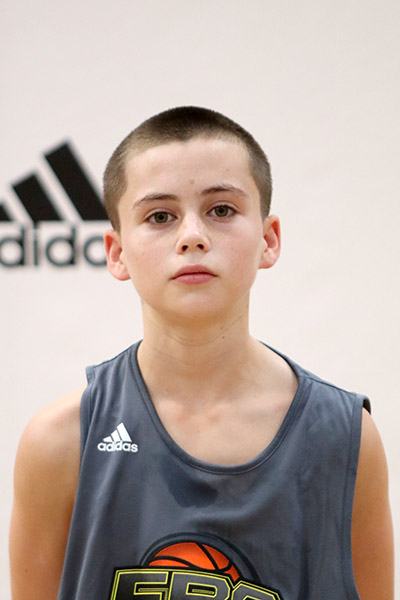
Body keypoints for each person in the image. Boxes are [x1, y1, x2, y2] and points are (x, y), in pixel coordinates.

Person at [9, 107, 394, 600]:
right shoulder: (59, 443)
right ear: (117, 251)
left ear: (269, 239)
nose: (192, 236)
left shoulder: (346, 439)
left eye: (221, 210)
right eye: (160, 216)